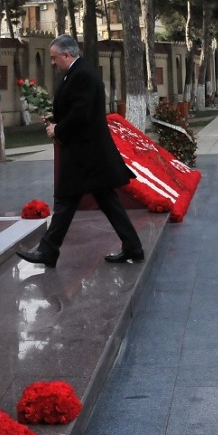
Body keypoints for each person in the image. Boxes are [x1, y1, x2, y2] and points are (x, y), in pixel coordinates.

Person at [16, 35, 143, 267]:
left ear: (67, 55)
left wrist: (58, 129)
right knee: (106, 201)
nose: (53, 63)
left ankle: (48, 251)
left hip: (85, 154)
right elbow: (78, 107)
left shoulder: (81, 74)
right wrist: (57, 117)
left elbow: (82, 114)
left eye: (54, 58)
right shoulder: (79, 72)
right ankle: (133, 246)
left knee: (66, 199)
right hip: (90, 154)